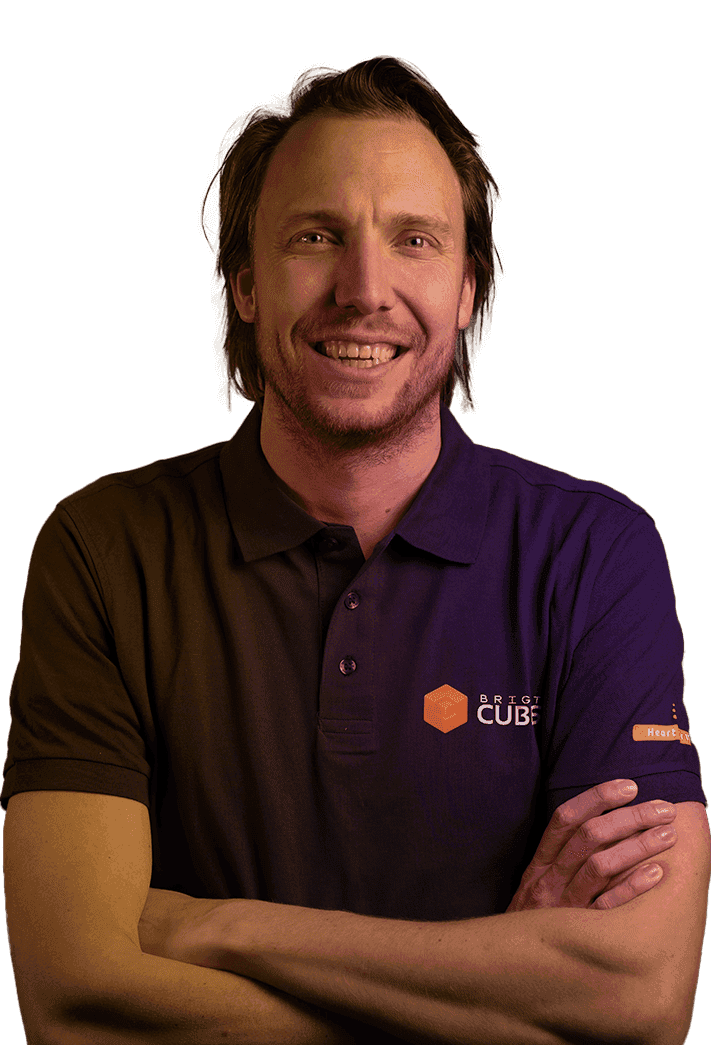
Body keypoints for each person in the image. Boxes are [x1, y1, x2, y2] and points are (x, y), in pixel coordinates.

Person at [2, 55, 709, 1045]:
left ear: (467, 291)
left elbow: (641, 1001)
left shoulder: (596, 553)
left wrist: (213, 927)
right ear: (245, 284)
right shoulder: (102, 549)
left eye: (414, 239)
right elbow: (75, 1003)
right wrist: (497, 991)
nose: (364, 289)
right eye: (315, 237)